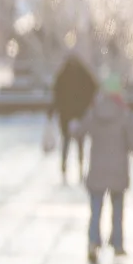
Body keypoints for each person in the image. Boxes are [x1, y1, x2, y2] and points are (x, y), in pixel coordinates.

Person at [77, 72, 133, 264]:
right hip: (118, 170)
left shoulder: (94, 112)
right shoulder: (124, 114)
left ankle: (93, 242)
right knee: (117, 209)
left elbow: (80, 131)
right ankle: (117, 243)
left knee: (96, 209)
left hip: (97, 169)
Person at [50, 52, 99, 181]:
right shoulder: (83, 73)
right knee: (80, 142)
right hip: (80, 114)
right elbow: (94, 87)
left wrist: (52, 111)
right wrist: (87, 104)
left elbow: (56, 94)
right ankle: (80, 166)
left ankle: (64, 167)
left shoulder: (62, 75)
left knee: (66, 142)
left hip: (65, 115)